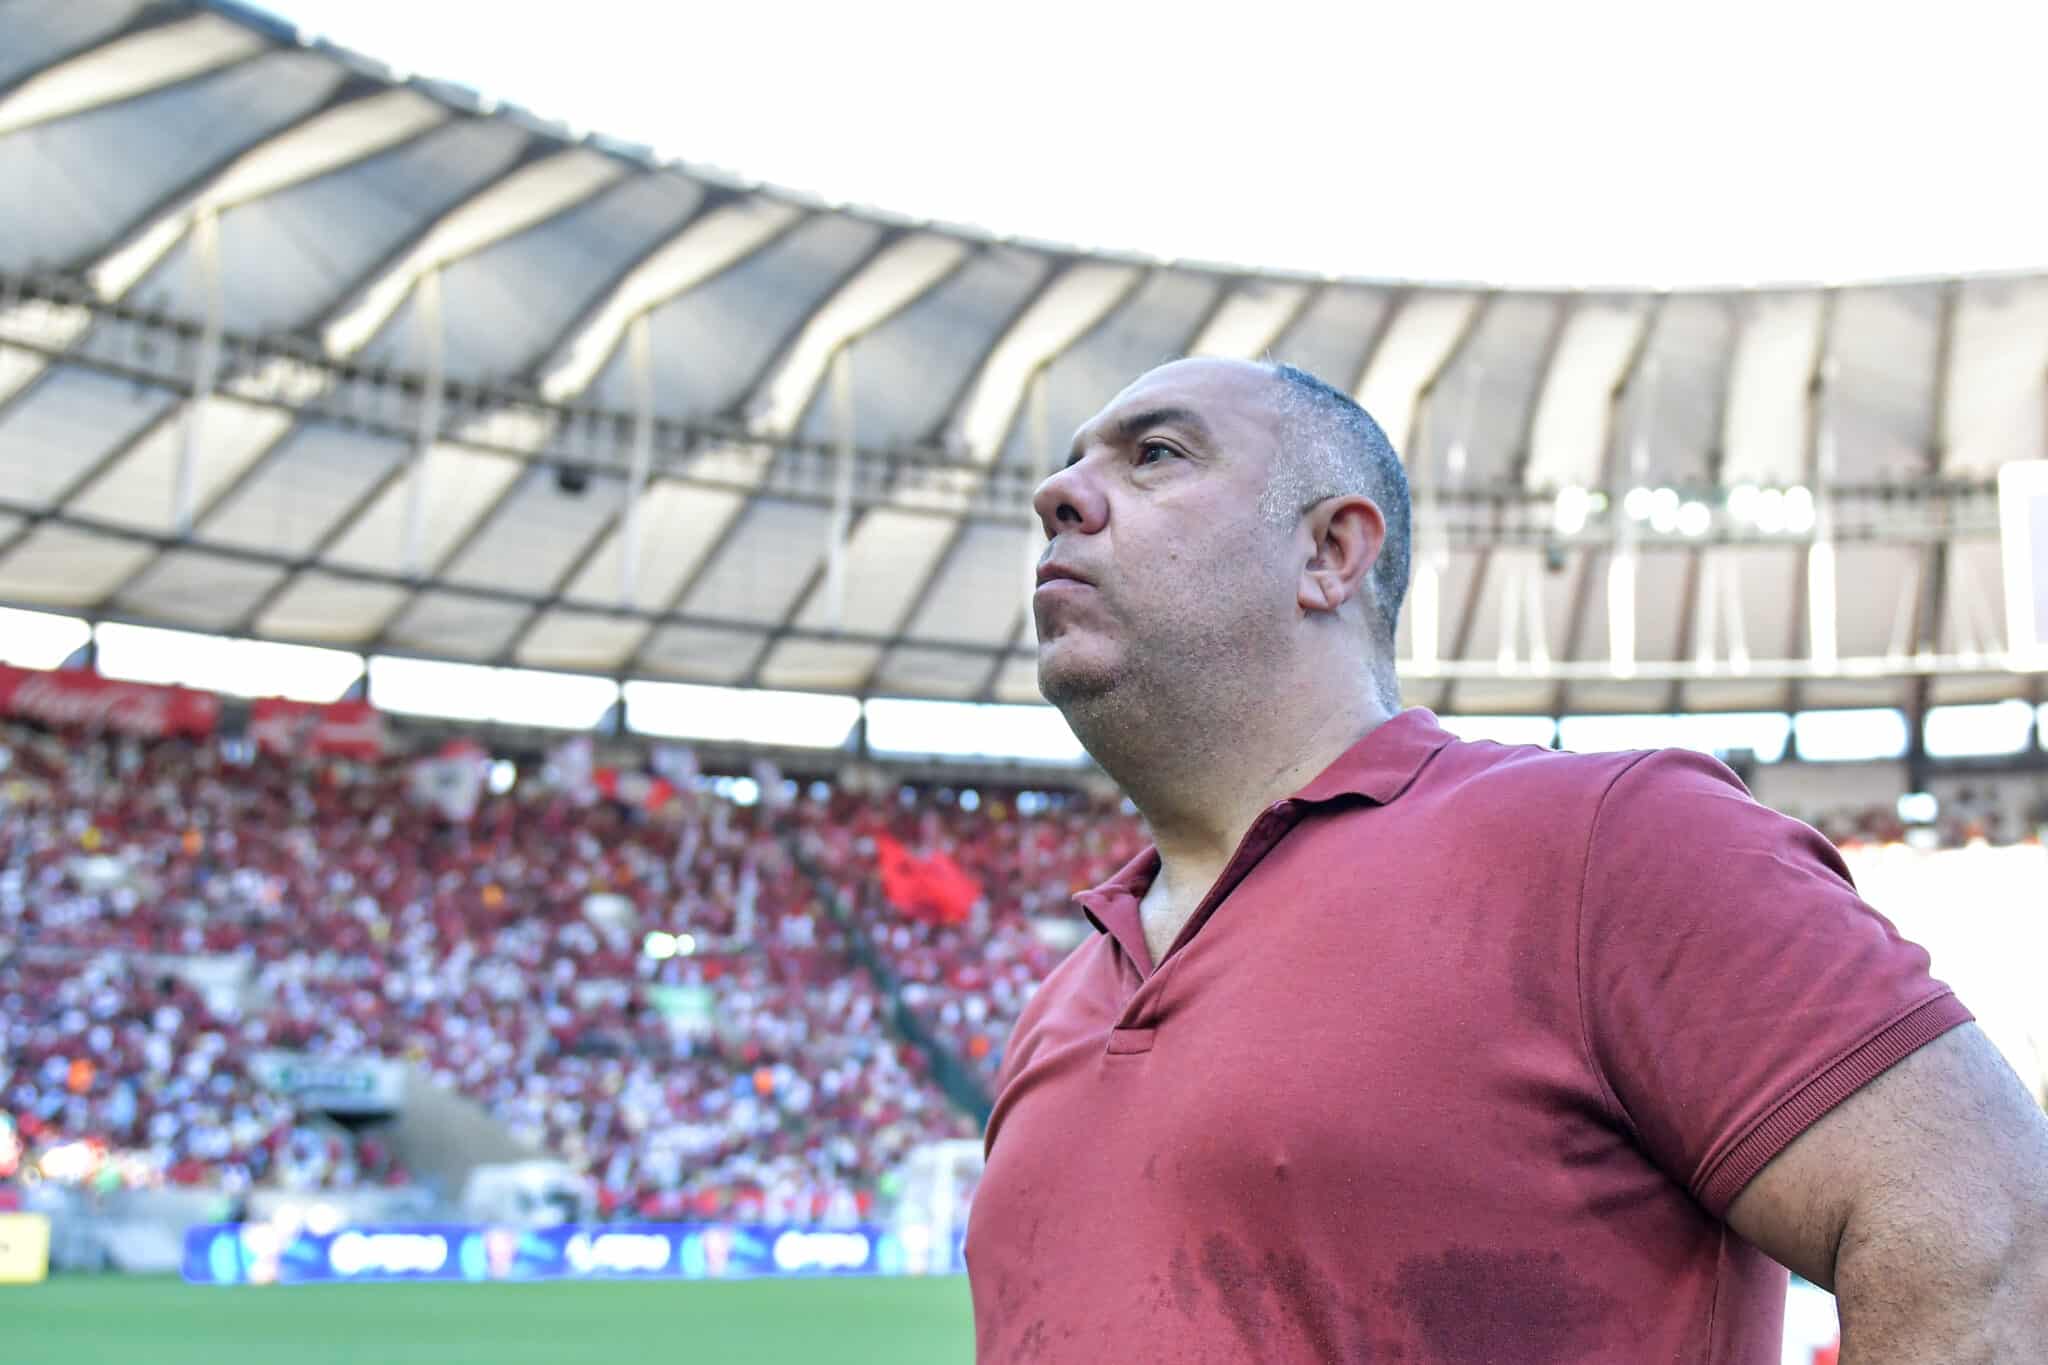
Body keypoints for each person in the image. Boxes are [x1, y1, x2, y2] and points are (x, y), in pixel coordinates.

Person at [964, 357, 2048, 1363]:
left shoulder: (1608, 839)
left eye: (1153, 455)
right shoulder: (1057, 1007)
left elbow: (1990, 1239)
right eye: (1069, 461)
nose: (1058, 492)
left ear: (1329, 552)